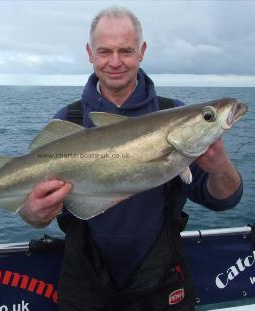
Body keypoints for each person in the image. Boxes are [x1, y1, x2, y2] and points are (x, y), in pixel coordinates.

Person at [19, 6, 243, 311]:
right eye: (104, 51)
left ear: (142, 51)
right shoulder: (68, 121)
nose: (114, 62)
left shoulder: (173, 112)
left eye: (125, 51)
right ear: (89, 53)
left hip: (162, 279)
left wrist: (221, 169)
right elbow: (32, 213)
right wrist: (34, 212)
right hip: (84, 281)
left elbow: (223, 200)